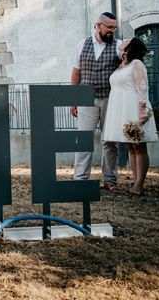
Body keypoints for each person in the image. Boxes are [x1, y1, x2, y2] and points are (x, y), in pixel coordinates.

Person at [70, 12, 122, 188]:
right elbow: (76, 73)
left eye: (114, 28)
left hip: (110, 98)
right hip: (86, 98)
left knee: (110, 140)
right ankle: (80, 179)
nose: (112, 31)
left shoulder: (118, 46)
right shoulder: (81, 45)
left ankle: (109, 179)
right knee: (83, 138)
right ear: (98, 26)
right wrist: (73, 100)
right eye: (109, 27)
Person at [102, 37, 158, 195]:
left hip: (134, 107)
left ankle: (139, 184)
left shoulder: (137, 64)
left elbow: (142, 86)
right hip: (121, 110)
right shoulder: (121, 65)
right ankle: (136, 182)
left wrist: (142, 109)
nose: (123, 40)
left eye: (127, 40)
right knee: (129, 146)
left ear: (131, 47)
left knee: (138, 146)